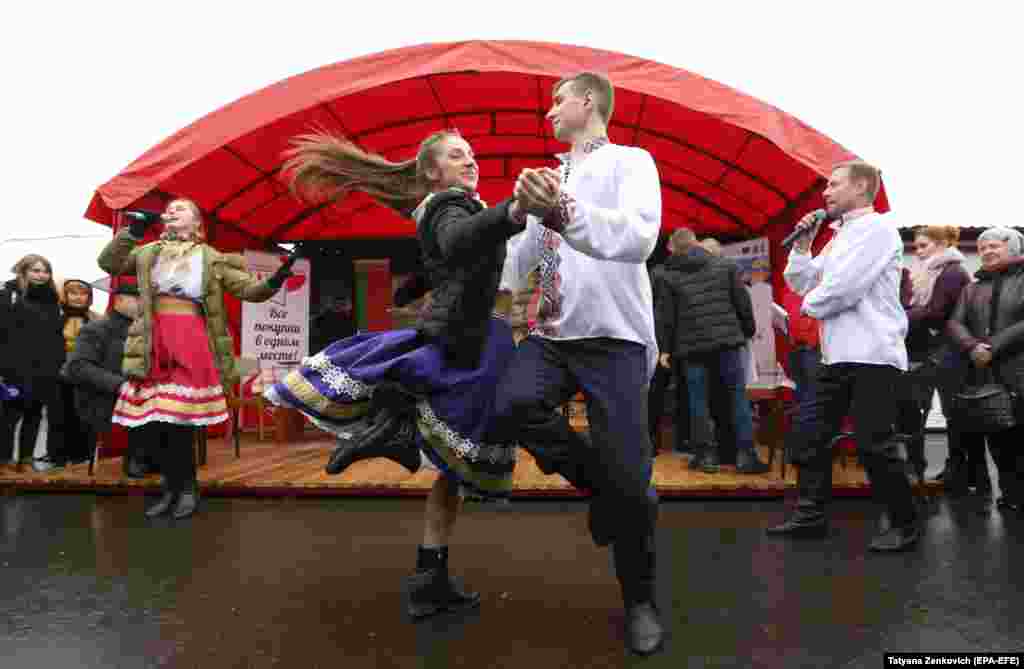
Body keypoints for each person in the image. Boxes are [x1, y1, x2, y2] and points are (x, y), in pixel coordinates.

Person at [263, 129, 527, 621]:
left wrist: (414, 287)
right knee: (491, 426)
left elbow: (451, 255)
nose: (469, 161)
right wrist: (512, 213)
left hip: (465, 332)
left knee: (451, 467)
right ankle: (392, 430)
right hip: (465, 337)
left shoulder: (453, 204)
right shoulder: (451, 205)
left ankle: (431, 573)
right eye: (456, 155)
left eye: (471, 154)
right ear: (432, 171)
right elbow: (457, 238)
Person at [489, 71, 665, 655]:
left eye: (556, 101)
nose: (548, 113)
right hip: (552, 333)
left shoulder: (631, 161)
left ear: (588, 102)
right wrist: (517, 218)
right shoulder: (551, 174)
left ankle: (639, 599)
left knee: (634, 483)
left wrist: (560, 209)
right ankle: (602, 490)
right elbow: (523, 259)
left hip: (615, 338)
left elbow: (639, 238)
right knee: (513, 403)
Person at [97, 198, 291, 519]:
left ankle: (187, 489)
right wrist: (134, 231)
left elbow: (249, 291)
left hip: (190, 340)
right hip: (153, 340)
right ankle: (170, 489)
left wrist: (276, 280)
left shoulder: (210, 257)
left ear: (198, 224)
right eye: (169, 209)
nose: (172, 211)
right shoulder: (147, 253)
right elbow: (109, 263)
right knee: (158, 421)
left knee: (180, 423)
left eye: (181, 209)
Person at [767, 161, 920, 553]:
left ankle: (905, 523)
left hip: (873, 353)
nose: (826, 192)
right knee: (810, 433)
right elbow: (804, 279)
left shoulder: (878, 229)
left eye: (834, 185)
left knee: (874, 443)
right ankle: (810, 515)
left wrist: (804, 309)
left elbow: (843, 289)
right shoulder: (840, 236)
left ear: (862, 186)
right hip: (836, 354)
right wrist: (803, 245)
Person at [655, 228, 768, 474]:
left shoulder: (667, 275)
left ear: (671, 249)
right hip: (728, 343)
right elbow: (742, 303)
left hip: (691, 347)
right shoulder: (725, 266)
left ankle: (705, 456)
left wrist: (664, 349)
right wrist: (746, 331)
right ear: (696, 243)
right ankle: (746, 456)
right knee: (737, 398)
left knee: (698, 402)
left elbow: (665, 317)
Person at [946, 227, 1024, 514]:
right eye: (983, 248)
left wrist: (991, 347)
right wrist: (971, 347)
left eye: (994, 246)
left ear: (1012, 248)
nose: (987, 251)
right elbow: (955, 322)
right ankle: (1011, 494)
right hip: (985, 373)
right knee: (998, 436)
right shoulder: (972, 287)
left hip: (1018, 369)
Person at [897, 226, 973, 491]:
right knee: (931, 412)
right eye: (916, 247)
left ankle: (959, 472)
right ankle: (950, 471)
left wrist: (901, 317)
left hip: (947, 351)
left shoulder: (951, 272)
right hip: (932, 350)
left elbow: (936, 312)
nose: (917, 252)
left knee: (954, 413)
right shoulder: (929, 272)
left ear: (942, 244)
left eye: (923, 246)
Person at [61, 284, 142, 474]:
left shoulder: (145, 330)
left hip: (137, 396)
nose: (143, 304)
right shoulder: (96, 329)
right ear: (119, 300)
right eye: (137, 299)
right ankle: (139, 457)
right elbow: (78, 367)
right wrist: (120, 385)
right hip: (102, 398)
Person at [0, 255, 67, 472]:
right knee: (10, 415)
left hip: (45, 368)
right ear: (23, 271)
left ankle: (26, 460)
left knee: (34, 414)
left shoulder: (52, 299)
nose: (41, 275)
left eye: (45, 271)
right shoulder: (8, 294)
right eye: (35, 270)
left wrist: (57, 365)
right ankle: (5, 460)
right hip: (14, 366)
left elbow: (56, 336)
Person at [648, 248, 691, 455]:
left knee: (655, 393)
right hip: (684, 342)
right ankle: (684, 440)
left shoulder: (658, 273)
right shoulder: (686, 274)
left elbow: (658, 312)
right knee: (685, 392)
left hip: (662, 341)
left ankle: (651, 441)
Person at [57, 278, 102, 466]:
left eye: (83, 293)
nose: (78, 297)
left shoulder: (96, 318)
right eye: (73, 293)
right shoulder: (56, 317)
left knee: (85, 415)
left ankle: (84, 454)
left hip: (87, 374)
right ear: (65, 296)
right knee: (62, 414)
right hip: (60, 372)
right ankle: (60, 454)